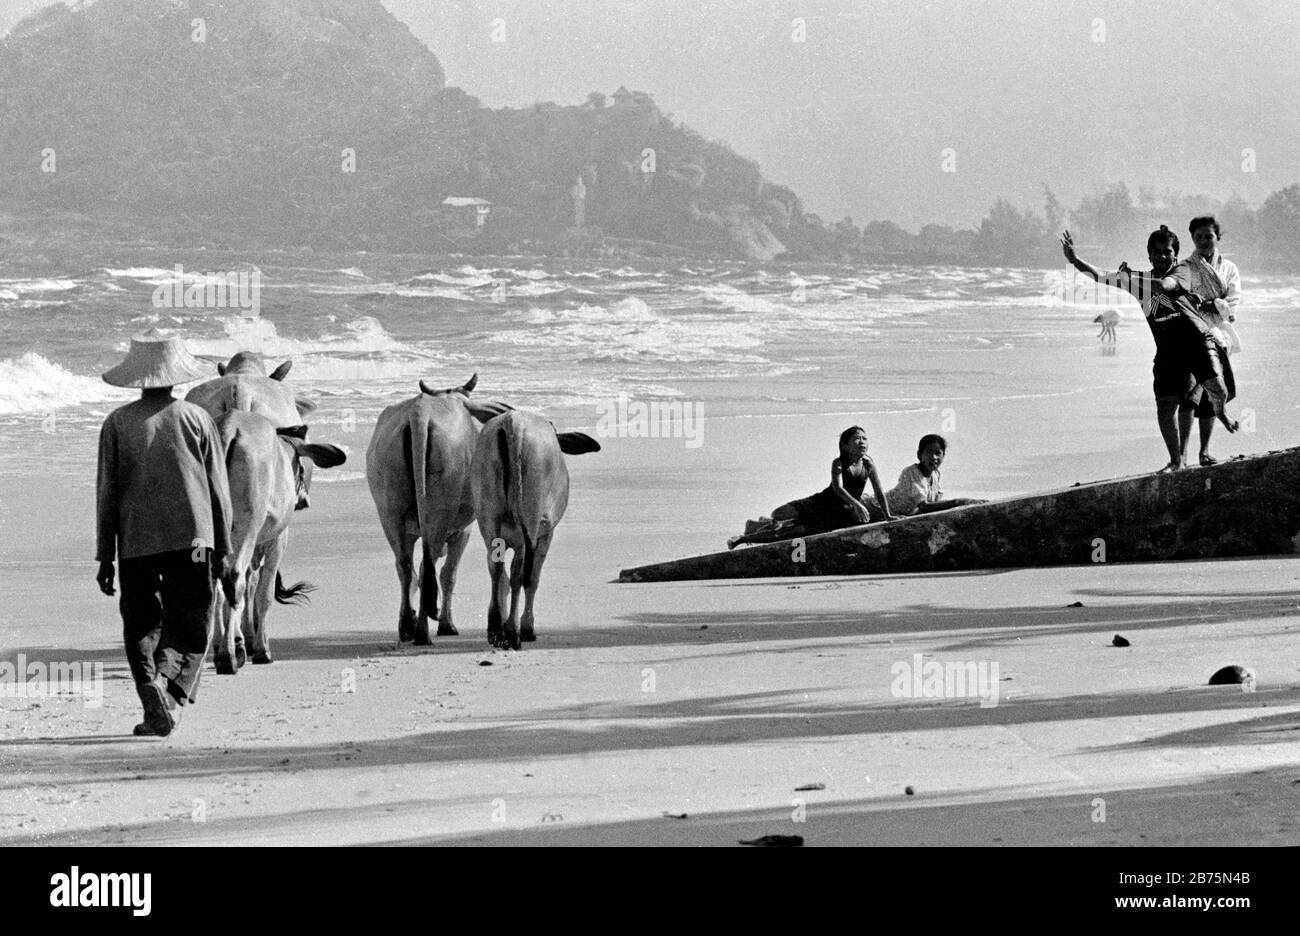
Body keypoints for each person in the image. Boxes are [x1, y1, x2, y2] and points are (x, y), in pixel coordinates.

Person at [96, 330, 233, 737]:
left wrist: (105, 555)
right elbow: (218, 491)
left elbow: (107, 493)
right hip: (192, 542)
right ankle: (167, 691)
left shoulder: (117, 424)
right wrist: (223, 549)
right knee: (191, 620)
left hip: (135, 543)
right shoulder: (197, 419)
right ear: (176, 377)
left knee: (140, 624)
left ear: (137, 377)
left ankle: (152, 702)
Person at [1061, 226, 1237, 472]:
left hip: (1195, 344)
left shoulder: (1183, 271)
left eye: (1167, 252)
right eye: (1156, 252)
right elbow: (1100, 276)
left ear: (1176, 255)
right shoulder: (1137, 282)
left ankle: (1211, 425)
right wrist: (1075, 260)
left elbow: (1164, 285)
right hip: (1167, 352)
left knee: (1203, 397)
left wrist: (1130, 278)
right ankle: (1176, 461)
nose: (1162, 257)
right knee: (1165, 406)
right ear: (1149, 256)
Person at [728, 426, 894, 548]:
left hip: (834, 515)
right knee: (777, 513)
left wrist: (888, 515)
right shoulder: (838, 463)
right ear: (844, 445)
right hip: (818, 504)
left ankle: (744, 538)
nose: (862, 442)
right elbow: (838, 488)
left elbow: (879, 491)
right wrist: (858, 504)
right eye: (857, 438)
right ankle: (756, 528)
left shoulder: (868, 463)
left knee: (786, 534)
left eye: (865, 438)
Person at [1180, 215, 1241, 466]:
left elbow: (1233, 303)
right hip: (1191, 333)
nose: (1204, 241)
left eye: (1209, 236)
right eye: (1199, 237)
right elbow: (1183, 299)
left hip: (1218, 335)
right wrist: (1213, 305)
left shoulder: (1229, 268)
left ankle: (1204, 451)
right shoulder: (1185, 266)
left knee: (1212, 397)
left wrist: (1210, 304)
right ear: (1192, 239)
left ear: (1218, 237)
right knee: (1188, 394)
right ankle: (1181, 455)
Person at [888, 434, 985, 516]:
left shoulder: (935, 475)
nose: (934, 457)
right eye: (929, 452)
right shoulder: (911, 472)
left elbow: (933, 504)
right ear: (919, 455)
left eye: (938, 453)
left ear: (943, 456)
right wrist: (958, 502)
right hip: (878, 509)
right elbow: (924, 506)